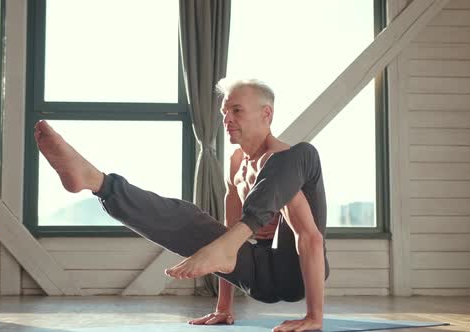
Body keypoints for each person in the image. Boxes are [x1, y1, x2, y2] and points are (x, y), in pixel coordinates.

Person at [34, 78, 329, 332]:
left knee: (304, 153)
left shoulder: (285, 162)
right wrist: (224, 306)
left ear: (266, 114)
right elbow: (223, 240)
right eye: (224, 111)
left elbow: (310, 238)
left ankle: (240, 236)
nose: (226, 119)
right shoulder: (236, 164)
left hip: (298, 274)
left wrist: (314, 317)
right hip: (257, 276)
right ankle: (99, 183)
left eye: (236, 110)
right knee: (188, 218)